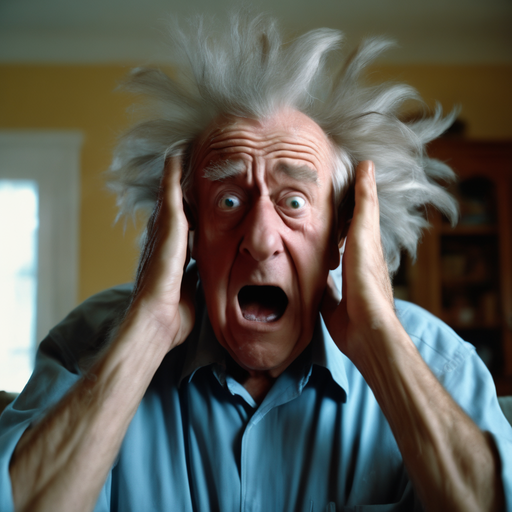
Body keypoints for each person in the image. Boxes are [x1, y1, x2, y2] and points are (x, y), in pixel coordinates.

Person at [1, 12, 511, 512]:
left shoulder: (438, 362)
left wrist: (381, 341)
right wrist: (147, 333)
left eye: (293, 202)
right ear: (187, 230)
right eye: (228, 201)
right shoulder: (89, 344)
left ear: (342, 233)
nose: (262, 238)